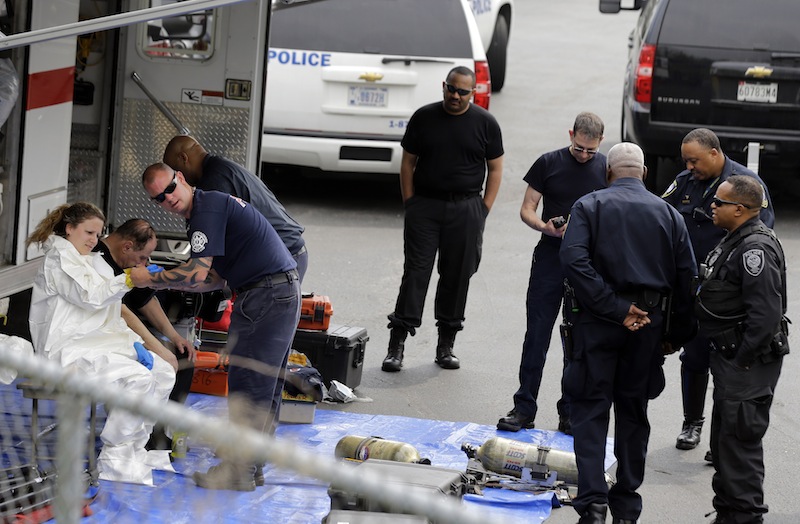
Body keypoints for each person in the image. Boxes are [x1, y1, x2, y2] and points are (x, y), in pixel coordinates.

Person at [130, 164, 301, 492]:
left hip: (265, 295)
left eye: (169, 190)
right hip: (274, 292)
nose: (168, 200)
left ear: (181, 178)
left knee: (248, 386)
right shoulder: (207, 208)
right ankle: (252, 466)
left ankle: (241, 469)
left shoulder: (205, 209)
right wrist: (167, 281)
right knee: (262, 385)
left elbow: (196, 274)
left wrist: (147, 277)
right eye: (159, 199)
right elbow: (211, 279)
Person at [559, 143, 697, 524]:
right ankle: (626, 507)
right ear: (644, 174)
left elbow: (572, 260)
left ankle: (593, 504)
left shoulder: (589, 206)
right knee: (634, 413)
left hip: (596, 323)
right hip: (647, 327)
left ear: (608, 172)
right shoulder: (669, 214)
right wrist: (675, 335)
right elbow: (687, 279)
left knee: (590, 411)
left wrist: (615, 309)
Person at [27, 202, 176, 486]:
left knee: (163, 373)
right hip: (65, 353)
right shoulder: (59, 260)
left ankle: (134, 449)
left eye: (97, 234)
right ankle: (114, 458)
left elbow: (110, 314)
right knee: (138, 379)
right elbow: (91, 296)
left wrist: (135, 343)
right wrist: (130, 278)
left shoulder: (91, 260)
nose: (94, 240)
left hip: (95, 346)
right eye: (88, 232)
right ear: (69, 229)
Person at [383, 65, 503, 372]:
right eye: (451, 88)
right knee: (416, 273)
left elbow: (496, 169)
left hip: (466, 209)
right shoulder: (424, 117)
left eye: (463, 91)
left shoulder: (486, 124)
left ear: (472, 93)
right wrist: (410, 203)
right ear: (444, 86)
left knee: (457, 276)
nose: (455, 95)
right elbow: (408, 163)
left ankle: (445, 345)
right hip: (425, 207)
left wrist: (483, 210)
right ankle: (396, 345)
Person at [662, 128, 774, 452]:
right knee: (694, 358)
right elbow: (660, 212)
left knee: (726, 367)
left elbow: (759, 234)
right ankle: (692, 424)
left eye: (694, 160)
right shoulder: (685, 181)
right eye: (686, 160)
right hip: (694, 292)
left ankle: (720, 439)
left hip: (728, 296)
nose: (689, 166)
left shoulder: (745, 185)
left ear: (714, 153)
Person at [497, 112, 607, 434]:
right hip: (549, 257)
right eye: (578, 148)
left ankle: (569, 412)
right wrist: (545, 226)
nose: (584, 155)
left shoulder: (606, 168)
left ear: (601, 141)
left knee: (577, 341)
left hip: (586, 263)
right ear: (571, 134)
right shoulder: (548, 163)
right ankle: (523, 408)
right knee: (537, 335)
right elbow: (527, 208)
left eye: (591, 150)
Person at [695, 175, 787, 524]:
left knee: (739, 443)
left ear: (739, 208)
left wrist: (742, 359)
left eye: (717, 202)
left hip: (747, 363)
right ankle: (729, 512)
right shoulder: (737, 238)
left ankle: (745, 516)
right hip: (734, 359)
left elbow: (765, 316)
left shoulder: (754, 250)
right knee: (725, 440)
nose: (711, 207)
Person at [95, 218, 197, 450]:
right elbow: (121, 313)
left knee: (183, 356)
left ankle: (160, 431)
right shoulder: (98, 261)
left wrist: (175, 337)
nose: (145, 263)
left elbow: (145, 300)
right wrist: (157, 347)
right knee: (162, 362)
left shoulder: (127, 261)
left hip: (126, 333)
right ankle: (129, 438)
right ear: (127, 246)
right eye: (143, 257)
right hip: (106, 337)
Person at [162, 135, 309, 283]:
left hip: (284, 254)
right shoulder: (222, 167)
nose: (181, 180)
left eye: (176, 173)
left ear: (183, 158)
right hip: (289, 248)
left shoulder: (214, 183)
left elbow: (210, 241)